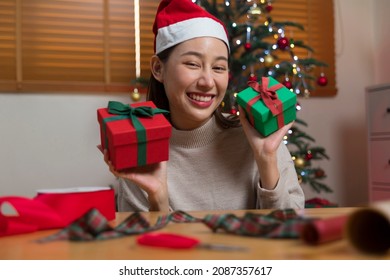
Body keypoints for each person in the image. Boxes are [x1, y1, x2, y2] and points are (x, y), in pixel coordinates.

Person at [104, 0, 304, 212]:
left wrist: (266, 161)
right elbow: (143, 243)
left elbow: (290, 232)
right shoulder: (140, 148)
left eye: (218, 67)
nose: (208, 82)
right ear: (158, 68)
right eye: (192, 64)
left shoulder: (260, 135)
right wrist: (158, 198)